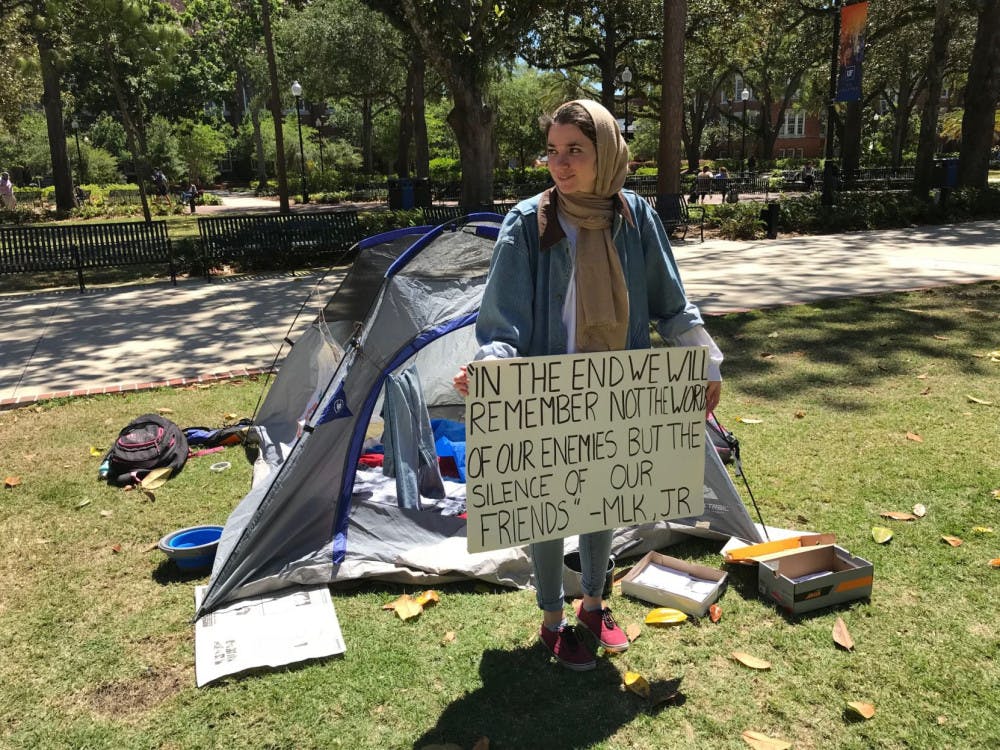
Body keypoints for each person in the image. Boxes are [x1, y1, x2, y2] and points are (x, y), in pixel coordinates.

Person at [452, 100, 723, 671]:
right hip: (547, 388)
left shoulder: (636, 217)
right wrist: (492, 366)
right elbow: (502, 322)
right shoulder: (527, 222)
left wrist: (706, 362)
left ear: (606, 152)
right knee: (546, 507)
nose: (560, 163)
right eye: (552, 150)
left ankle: (596, 605)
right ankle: (552, 617)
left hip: (617, 382)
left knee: (606, 497)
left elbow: (672, 303)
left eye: (575, 149)